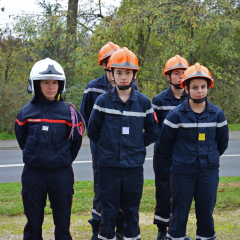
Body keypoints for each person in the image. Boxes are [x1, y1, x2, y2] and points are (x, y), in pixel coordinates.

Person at [87, 47, 159, 240]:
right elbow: (92, 130)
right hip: (108, 166)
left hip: (133, 167)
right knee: (108, 211)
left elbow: (153, 131)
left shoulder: (144, 103)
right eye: (119, 72)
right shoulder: (102, 101)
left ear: (134, 74)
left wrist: (136, 144)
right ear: (112, 74)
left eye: (128, 72)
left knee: (131, 211)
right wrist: (107, 147)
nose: (123, 77)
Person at [15, 58, 84, 240]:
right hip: (33, 174)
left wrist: (61, 159)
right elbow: (21, 137)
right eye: (46, 82)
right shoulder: (26, 112)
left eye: (55, 83)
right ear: (35, 84)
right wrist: (35, 157)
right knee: (33, 221)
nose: (51, 87)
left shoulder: (69, 112)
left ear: (61, 85)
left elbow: (75, 142)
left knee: (62, 221)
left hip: (61, 175)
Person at [160, 63, 229, 240]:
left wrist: (210, 158)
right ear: (186, 88)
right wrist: (181, 159)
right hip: (182, 173)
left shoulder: (217, 115)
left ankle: (205, 236)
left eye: (203, 87)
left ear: (208, 87)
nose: (200, 91)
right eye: (195, 87)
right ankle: (176, 237)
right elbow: (165, 144)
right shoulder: (175, 115)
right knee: (180, 211)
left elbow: (222, 143)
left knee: (206, 212)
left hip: (208, 173)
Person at [80, 42, 138, 240]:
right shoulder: (92, 88)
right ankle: (98, 229)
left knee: (123, 191)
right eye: (108, 61)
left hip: (126, 151)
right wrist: (103, 142)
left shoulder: (132, 87)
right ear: (105, 64)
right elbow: (86, 119)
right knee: (101, 189)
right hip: (102, 151)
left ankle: (120, 229)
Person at [152, 55, 191, 240]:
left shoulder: (191, 100)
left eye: (183, 73)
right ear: (168, 76)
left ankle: (177, 231)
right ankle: (162, 230)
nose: (180, 77)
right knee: (163, 191)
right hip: (163, 155)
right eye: (176, 73)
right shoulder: (158, 101)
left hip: (184, 155)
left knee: (181, 194)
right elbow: (153, 127)